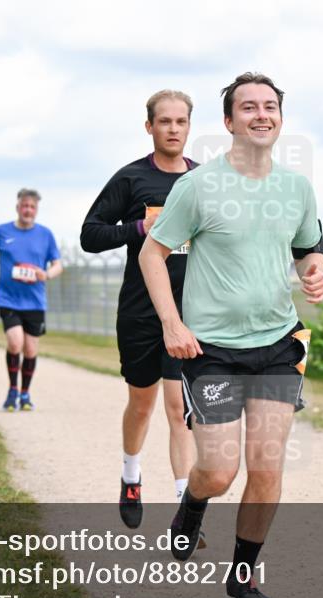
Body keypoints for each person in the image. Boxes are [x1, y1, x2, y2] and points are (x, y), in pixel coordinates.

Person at [139, 72, 323, 598]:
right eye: (249, 107)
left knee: (267, 467)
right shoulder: (198, 186)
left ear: (280, 119)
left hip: (277, 343)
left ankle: (241, 580)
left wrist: (315, 272)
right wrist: (172, 325)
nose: (261, 115)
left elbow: (308, 249)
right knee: (220, 472)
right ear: (228, 121)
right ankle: (192, 506)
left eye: (270, 106)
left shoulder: (296, 188)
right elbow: (152, 254)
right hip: (212, 351)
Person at [80, 89, 201, 529]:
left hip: (188, 313)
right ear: (149, 127)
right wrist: (138, 227)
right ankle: (131, 475)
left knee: (179, 407)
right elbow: (90, 235)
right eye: (164, 121)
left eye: (181, 121)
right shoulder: (130, 179)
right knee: (141, 404)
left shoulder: (203, 181)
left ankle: (186, 508)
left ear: (189, 126)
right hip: (139, 312)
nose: (173, 129)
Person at [0, 188, 63, 411]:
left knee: (30, 350)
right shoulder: (2, 231)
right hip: (8, 299)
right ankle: (12, 391)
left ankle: (25, 394)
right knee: (15, 342)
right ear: (17, 207)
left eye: (32, 207)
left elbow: (58, 265)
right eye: (24, 206)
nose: (28, 210)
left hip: (35, 301)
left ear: (36, 210)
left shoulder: (45, 234)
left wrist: (46, 274)